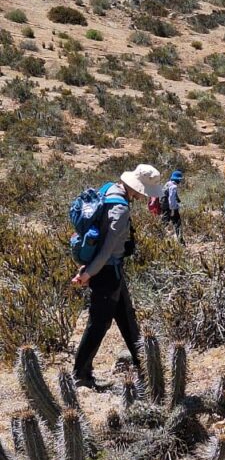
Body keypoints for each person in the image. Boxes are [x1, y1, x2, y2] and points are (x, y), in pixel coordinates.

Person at [72, 164, 163, 389]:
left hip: (111, 269)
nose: (144, 197)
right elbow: (107, 247)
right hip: (107, 272)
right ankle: (81, 375)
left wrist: (87, 267)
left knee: (127, 319)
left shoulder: (108, 190)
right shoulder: (120, 209)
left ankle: (145, 369)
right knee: (99, 324)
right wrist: (89, 273)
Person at [161, 169, 184, 243]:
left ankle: (158, 239)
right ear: (178, 179)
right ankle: (180, 240)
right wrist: (173, 210)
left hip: (164, 208)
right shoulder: (173, 186)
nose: (180, 181)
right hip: (171, 209)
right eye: (180, 180)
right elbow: (171, 199)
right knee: (178, 224)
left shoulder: (167, 184)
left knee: (163, 224)